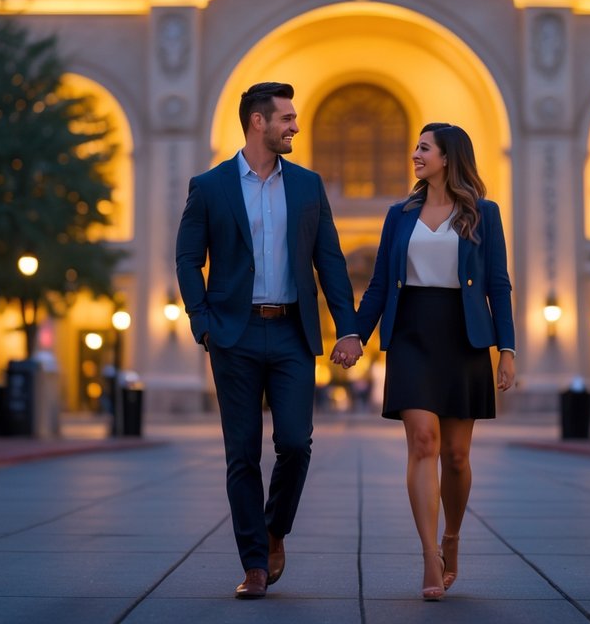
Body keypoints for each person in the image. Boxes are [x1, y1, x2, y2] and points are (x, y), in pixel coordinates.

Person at [175, 81, 361, 600]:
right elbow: (189, 259)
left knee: (295, 445)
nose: (295, 125)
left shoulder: (307, 186)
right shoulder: (209, 187)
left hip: (291, 333)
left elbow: (330, 262)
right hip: (232, 333)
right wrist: (201, 320)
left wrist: (347, 327)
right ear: (258, 121)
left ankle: (275, 528)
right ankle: (255, 562)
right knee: (241, 454)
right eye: (287, 118)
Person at [351, 122, 516, 601]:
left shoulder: (484, 214)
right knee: (423, 441)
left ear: (448, 157)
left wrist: (506, 349)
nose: (415, 154)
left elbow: (498, 285)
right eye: (416, 146)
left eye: (424, 148)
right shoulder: (398, 214)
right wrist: (355, 335)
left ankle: (452, 536)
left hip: (463, 336)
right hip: (412, 334)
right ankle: (428, 553)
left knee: (457, 457)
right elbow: (381, 282)